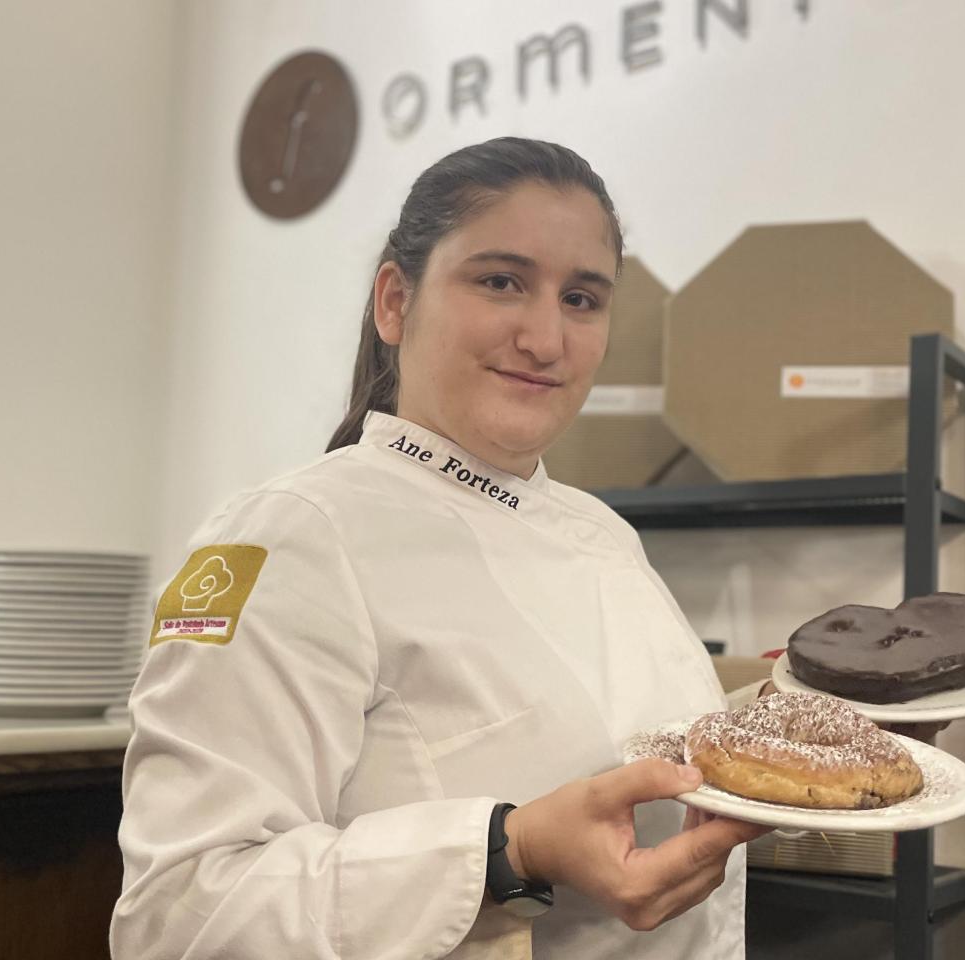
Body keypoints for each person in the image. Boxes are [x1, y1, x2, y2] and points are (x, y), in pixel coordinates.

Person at [111, 137, 772, 959]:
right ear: (395, 301)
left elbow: (634, 747)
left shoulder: (601, 532)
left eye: (582, 298)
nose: (545, 339)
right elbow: (178, 916)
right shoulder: (289, 535)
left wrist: (811, 731)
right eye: (501, 282)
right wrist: (505, 851)